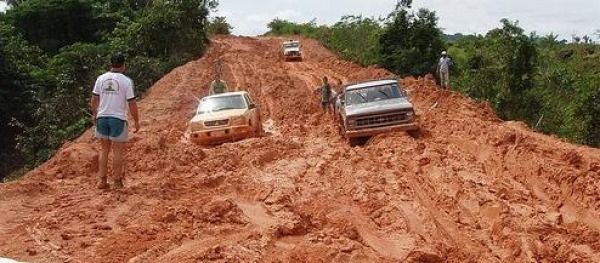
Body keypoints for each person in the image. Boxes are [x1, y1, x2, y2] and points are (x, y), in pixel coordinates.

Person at [91, 53, 140, 190]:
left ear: (111, 64)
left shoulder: (100, 79)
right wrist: (136, 120)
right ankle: (117, 182)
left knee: (104, 150)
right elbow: (132, 103)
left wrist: (94, 114)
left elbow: (94, 99)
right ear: (124, 65)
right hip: (118, 118)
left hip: (102, 117)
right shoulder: (126, 81)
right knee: (118, 151)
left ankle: (102, 181)